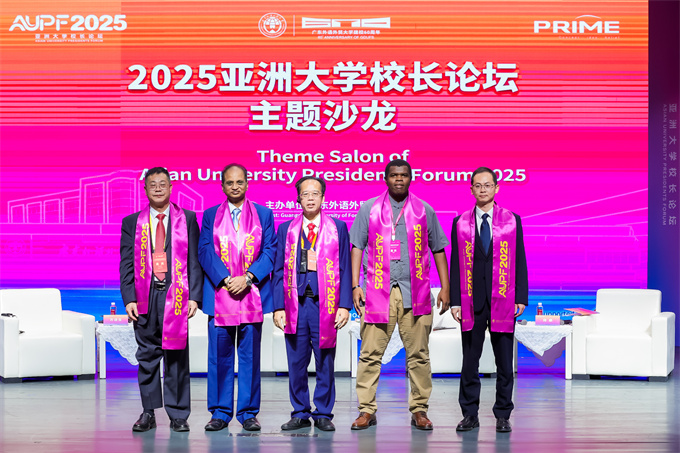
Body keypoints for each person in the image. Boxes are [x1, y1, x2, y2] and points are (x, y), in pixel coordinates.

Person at [349, 159, 451, 431]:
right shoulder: (369, 208)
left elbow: (438, 248)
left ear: (410, 178)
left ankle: (419, 409)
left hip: (415, 291)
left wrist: (446, 287)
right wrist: (355, 285)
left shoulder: (424, 210)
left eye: (403, 175)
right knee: (370, 354)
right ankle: (366, 410)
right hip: (377, 291)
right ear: (386, 178)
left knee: (419, 355)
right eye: (394, 175)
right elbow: (357, 246)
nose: (398, 179)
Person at [120, 166, 203, 432]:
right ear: (145, 189)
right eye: (152, 184)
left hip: (177, 294)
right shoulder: (132, 222)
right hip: (145, 296)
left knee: (176, 356)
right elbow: (126, 264)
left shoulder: (187, 218)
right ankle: (148, 412)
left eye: (162, 184)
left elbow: (194, 260)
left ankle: (178, 414)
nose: (158, 188)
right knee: (147, 356)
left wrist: (195, 297)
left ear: (170, 187)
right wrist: (129, 298)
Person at [449, 166, 528, 433]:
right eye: (478, 185)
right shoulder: (460, 222)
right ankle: (470, 414)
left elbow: (519, 259)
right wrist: (456, 301)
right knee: (469, 362)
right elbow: (456, 264)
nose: (483, 189)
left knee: (504, 362)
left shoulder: (512, 220)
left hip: (503, 299)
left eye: (487, 185)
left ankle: (503, 414)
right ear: (471, 189)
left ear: (496, 188)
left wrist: (520, 296)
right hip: (471, 301)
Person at [198, 163, 276, 432]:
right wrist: (225, 279)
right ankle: (219, 413)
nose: (235, 186)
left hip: (251, 295)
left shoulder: (264, 214)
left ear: (247, 184)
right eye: (229, 182)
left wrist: (249, 277)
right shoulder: (210, 215)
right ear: (222, 186)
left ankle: (248, 413)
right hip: (220, 295)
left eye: (239, 182)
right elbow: (205, 250)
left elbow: (270, 250)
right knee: (218, 359)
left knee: (250, 359)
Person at [271, 176, 353, 432]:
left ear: (323, 198)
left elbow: (345, 267)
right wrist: (278, 307)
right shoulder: (286, 229)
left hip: (325, 305)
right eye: (305, 194)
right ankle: (299, 412)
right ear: (298, 198)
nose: (310, 198)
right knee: (296, 362)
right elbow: (278, 270)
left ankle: (324, 413)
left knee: (325, 361)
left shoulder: (338, 227)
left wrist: (344, 305)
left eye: (315, 193)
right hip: (295, 305)